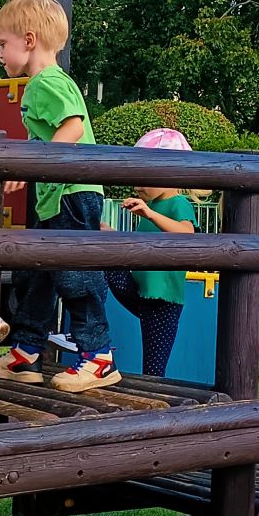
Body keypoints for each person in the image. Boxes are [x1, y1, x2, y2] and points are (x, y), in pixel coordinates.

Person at [0, 0, 119, 393]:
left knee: (74, 276)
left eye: (3, 43)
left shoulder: (45, 82)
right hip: (57, 196)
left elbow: (74, 126)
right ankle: (26, 352)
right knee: (37, 274)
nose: (0, 53)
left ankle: (98, 357)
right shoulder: (45, 82)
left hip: (72, 194)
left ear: (29, 40)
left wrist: (33, 164)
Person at [101, 127, 200, 377]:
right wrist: (110, 235)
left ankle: (154, 397)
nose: (137, 185)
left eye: (145, 176)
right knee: (104, 264)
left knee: (154, 368)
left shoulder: (178, 203)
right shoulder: (152, 206)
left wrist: (150, 214)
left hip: (163, 301)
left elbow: (186, 234)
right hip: (140, 292)